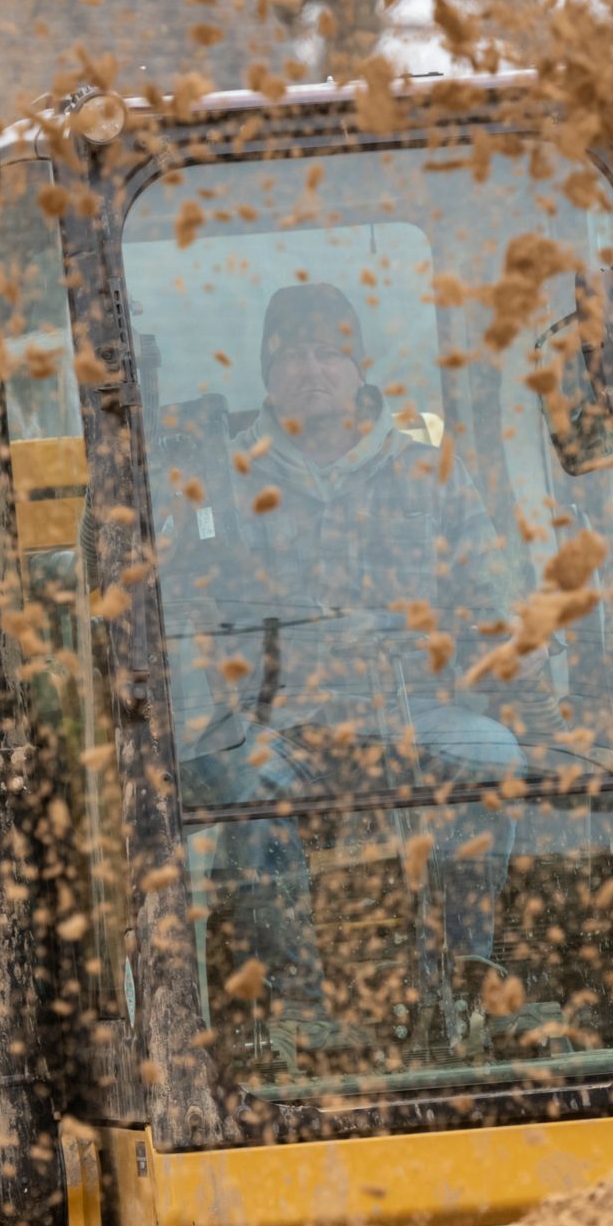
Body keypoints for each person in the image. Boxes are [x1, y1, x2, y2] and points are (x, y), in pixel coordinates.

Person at [165, 282, 533, 1065]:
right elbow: (181, 609)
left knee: (495, 757)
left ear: (359, 366)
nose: (311, 369)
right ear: (267, 375)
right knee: (244, 789)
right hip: (281, 720)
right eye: (290, 354)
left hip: (412, 711)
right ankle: (297, 1004)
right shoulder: (223, 482)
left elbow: (494, 601)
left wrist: (418, 640)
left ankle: (469, 963)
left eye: (327, 352)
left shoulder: (428, 469)